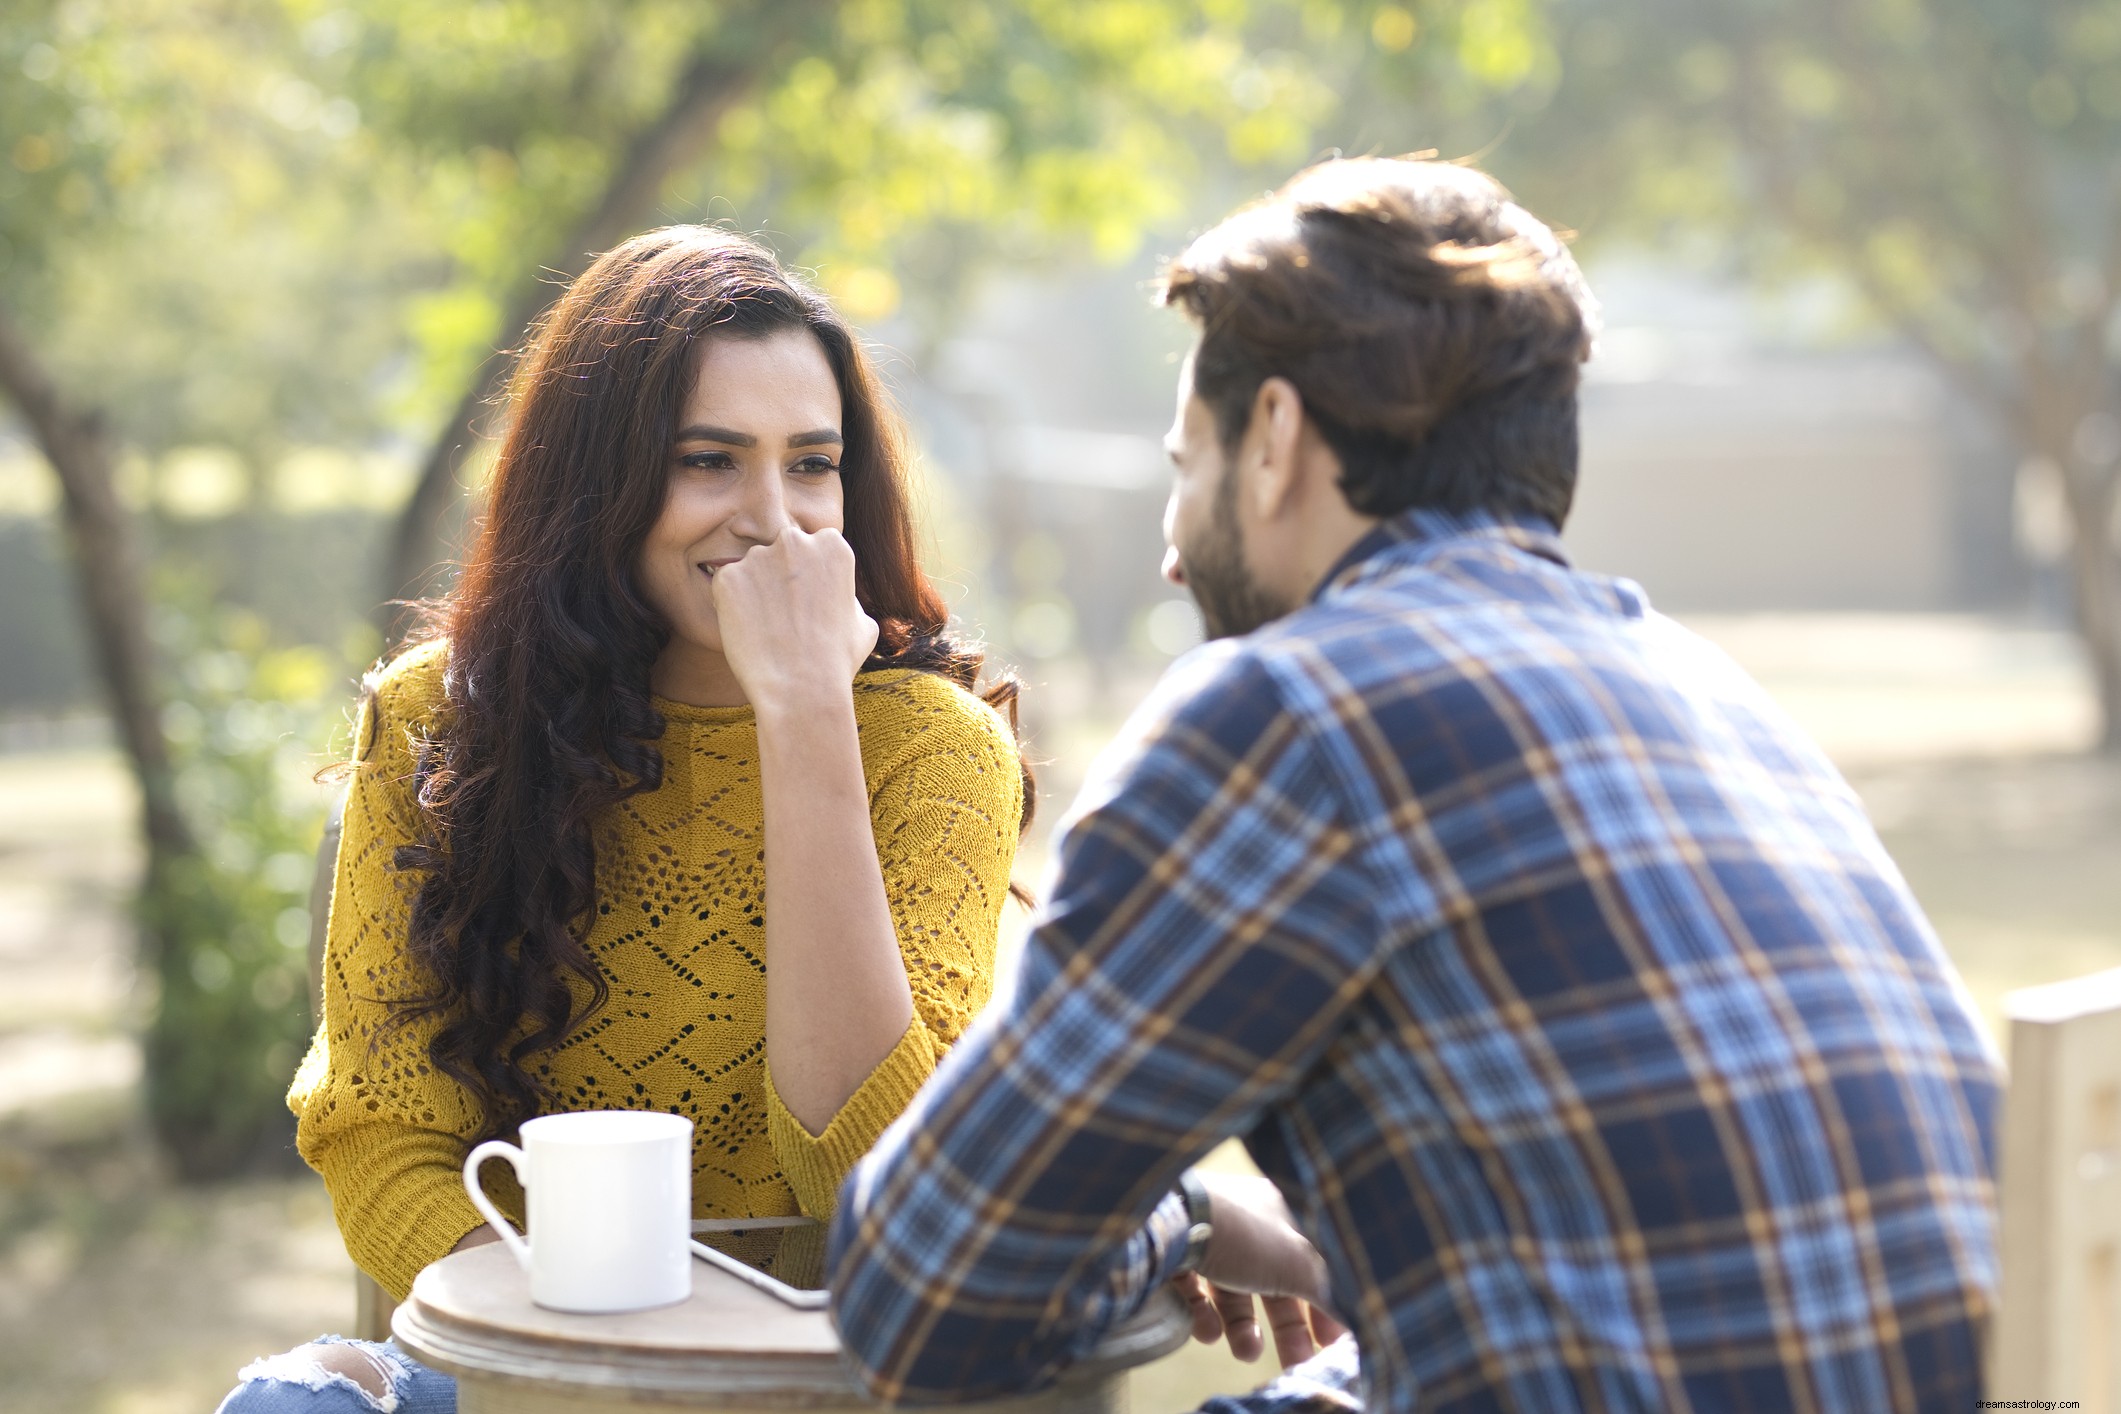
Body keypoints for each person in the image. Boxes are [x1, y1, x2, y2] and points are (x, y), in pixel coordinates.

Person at [827, 158, 2000, 1413]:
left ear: (1273, 439)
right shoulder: (1714, 695)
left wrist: (1179, 1214)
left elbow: (919, 1292)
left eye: (1186, 464)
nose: (1172, 553)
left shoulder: (1287, 713)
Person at [217, 227, 1028, 1413]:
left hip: (811, 1375)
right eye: (710, 461)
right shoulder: (438, 719)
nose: (775, 518)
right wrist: (571, 1372)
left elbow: (873, 1175)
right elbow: (383, 1133)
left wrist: (806, 713)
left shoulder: (935, 750)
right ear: (598, 479)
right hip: (517, 1352)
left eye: (813, 464)